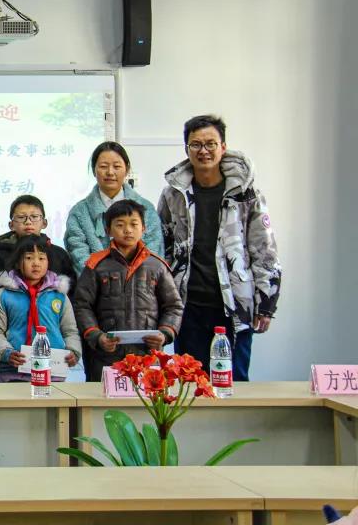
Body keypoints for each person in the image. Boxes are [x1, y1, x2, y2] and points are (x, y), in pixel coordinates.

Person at [157, 115, 281, 380]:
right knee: (188, 384)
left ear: (223, 147)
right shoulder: (173, 194)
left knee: (234, 382)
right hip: (187, 306)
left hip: (234, 305)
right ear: (187, 149)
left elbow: (264, 251)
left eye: (210, 143)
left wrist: (266, 304)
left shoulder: (246, 194)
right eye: (196, 144)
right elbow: (162, 248)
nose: (203, 151)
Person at [74, 200, 184, 381]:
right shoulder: (96, 265)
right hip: (105, 356)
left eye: (134, 224)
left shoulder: (157, 266)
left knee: (145, 398)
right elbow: (82, 305)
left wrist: (164, 335)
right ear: (108, 230)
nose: (128, 230)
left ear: (144, 228)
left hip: (147, 355)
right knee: (102, 398)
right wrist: (97, 336)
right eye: (120, 225)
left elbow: (173, 306)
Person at [0, 235, 80, 382]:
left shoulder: (59, 296)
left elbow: (70, 331)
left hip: (53, 372)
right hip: (13, 372)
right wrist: (6, 353)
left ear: (48, 262)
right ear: (17, 262)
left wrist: (73, 351)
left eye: (41, 258)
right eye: (29, 258)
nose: (36, 263)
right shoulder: (2, 295)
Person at [65, 142, 163, 275]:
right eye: (103, 166)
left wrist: (130, 280)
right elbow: (79, 255)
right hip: (94, 285)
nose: (110, 172)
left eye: (117, 166)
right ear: (94, 170)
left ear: (127, 169)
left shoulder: (146, 209)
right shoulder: (79, 213)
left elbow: (153, 253)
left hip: (140, 284)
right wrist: (106, 281)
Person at [0, 195, 77, 281]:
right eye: (21, 217)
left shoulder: (59, 255)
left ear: (44, 223)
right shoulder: (0, 258)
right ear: (11, 225)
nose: (28, 222)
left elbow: (71, 285)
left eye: (34, 216)